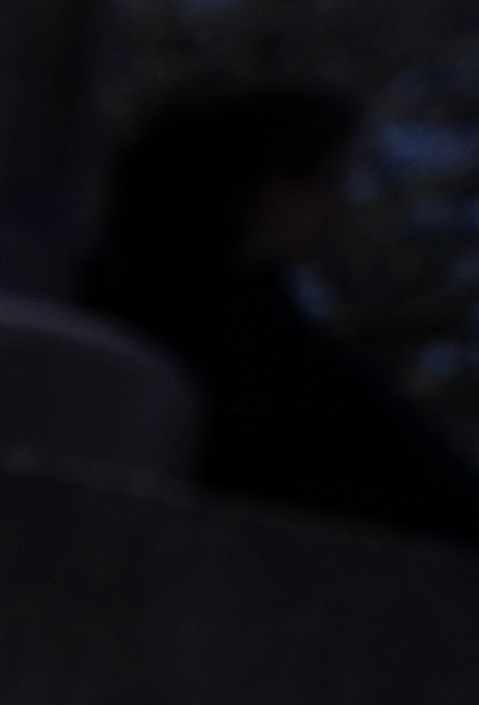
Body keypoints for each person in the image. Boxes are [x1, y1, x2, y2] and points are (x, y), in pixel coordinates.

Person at [78, 83, 479, 552]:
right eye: (325, 183)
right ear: (270, 189)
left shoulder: (264, 328)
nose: (336, 208)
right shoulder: (233, 334)